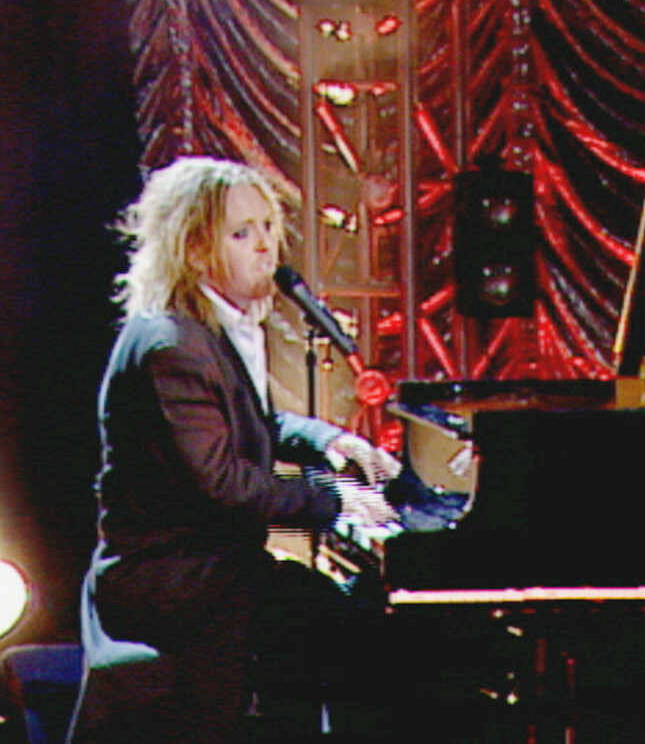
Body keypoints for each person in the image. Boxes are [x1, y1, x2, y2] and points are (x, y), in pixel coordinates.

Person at [66, 156, 399, 743]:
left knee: (336, 618)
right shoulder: (173, 345)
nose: (266, 247)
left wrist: (331, 441)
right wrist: (336, 502)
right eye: (242, 234)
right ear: (195, 251)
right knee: (337, 625)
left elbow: (254, 422)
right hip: (176, 580)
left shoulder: (210, 329)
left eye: (268, 227)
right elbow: (221, 480)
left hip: (210, 566)